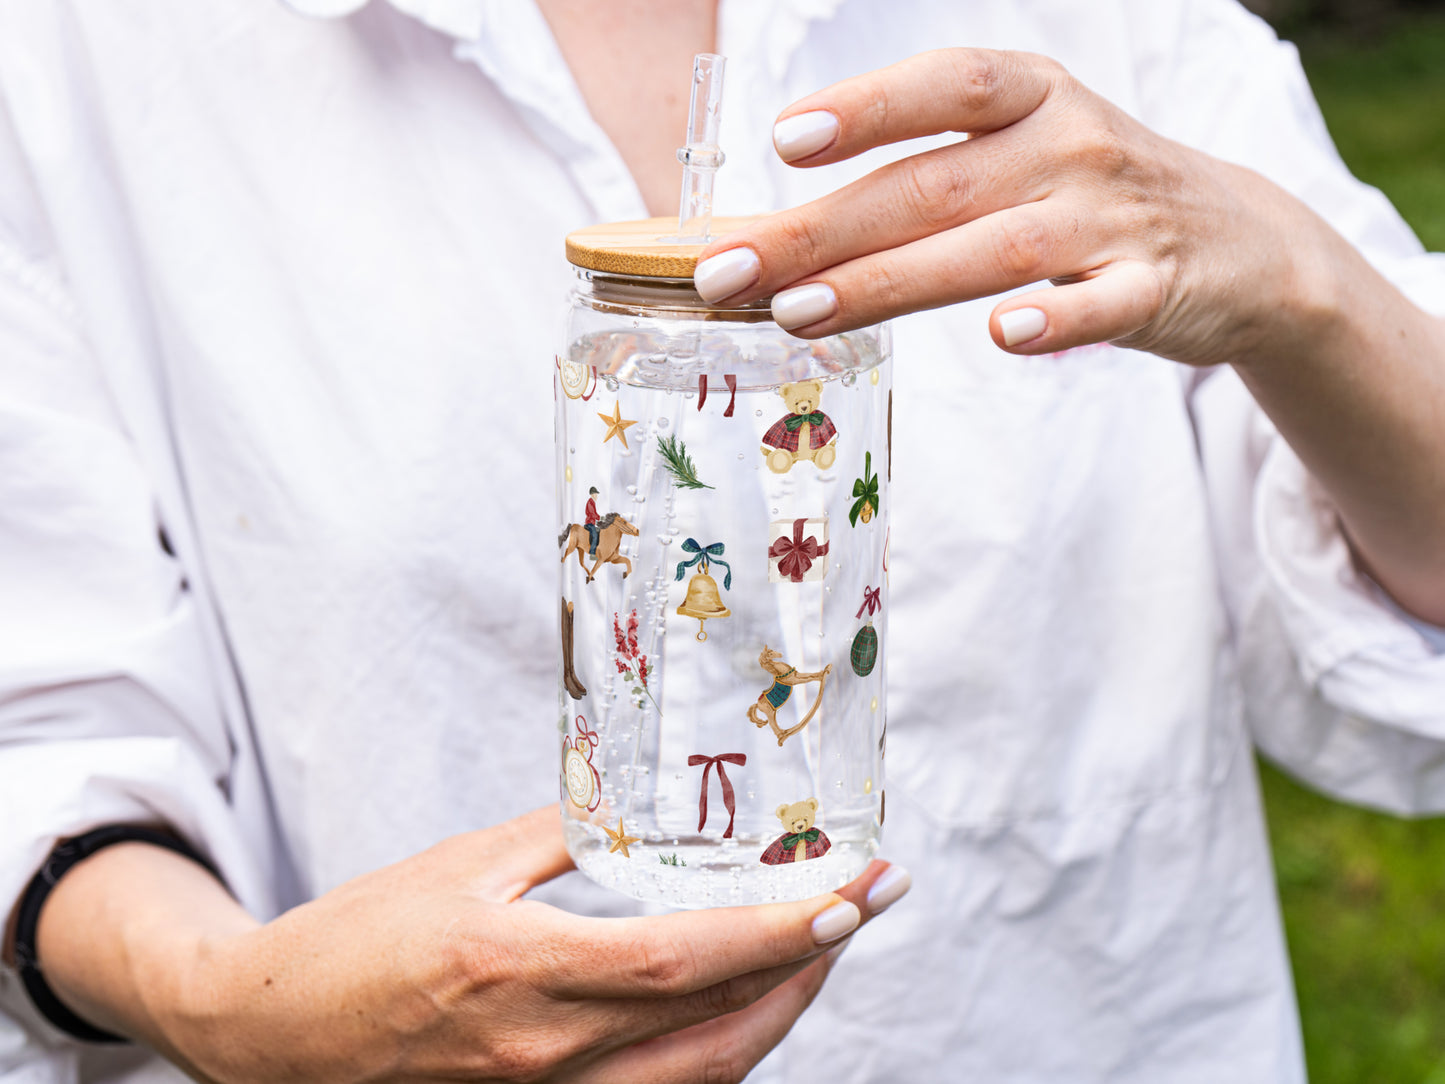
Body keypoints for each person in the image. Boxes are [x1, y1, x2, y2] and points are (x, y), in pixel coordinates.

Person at [1, 1, 1442, 1082]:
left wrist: (1302, 294)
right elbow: (39, 726)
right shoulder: (80, 57)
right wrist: (222, 1005)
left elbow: (1400, 650)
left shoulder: (1120, 21)